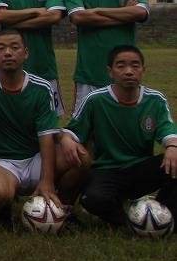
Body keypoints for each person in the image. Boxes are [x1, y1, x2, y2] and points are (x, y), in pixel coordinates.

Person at [0, 29, 75, 224]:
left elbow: (46, 137)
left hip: (35, 157)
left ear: (26, 53)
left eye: (14, 47)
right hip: (2, 160)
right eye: (1, 48)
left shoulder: (41, 87)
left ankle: (62, 206)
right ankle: (3, 205)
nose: (8, 53)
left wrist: (47, 180)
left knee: (80, 156)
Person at [61, 45, 177, 226]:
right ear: (110, 71)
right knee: (92, 199)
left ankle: (162, 215)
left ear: (143, 70)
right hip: (106, 170)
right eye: (121, 66)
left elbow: (168, 130)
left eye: (135, 66)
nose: (129, 71)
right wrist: (67, 139)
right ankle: (127, 224)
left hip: (140, 169)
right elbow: (73, 131)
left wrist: (172, 146)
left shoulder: (155, 99)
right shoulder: (95, 100)